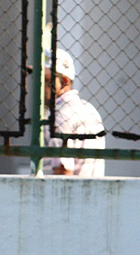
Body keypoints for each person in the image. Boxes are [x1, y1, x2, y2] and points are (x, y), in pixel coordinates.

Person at [43, 48, 106, 176]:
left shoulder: (59, 116)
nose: (39, 86)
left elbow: (62, 172)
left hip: (69, 188)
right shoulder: (87, 108)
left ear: (64, 82)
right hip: (92, 187)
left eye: (46, 80)